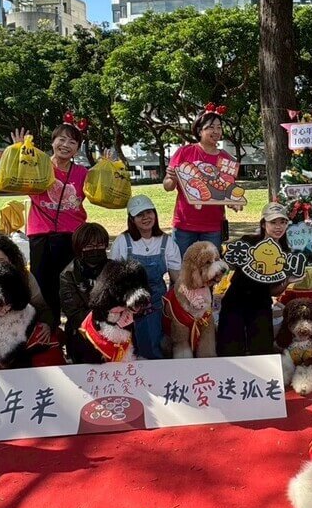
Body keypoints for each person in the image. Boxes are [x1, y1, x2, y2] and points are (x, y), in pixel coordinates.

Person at [11, 116, 89, 320]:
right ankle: (48, 328)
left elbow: (102, 193)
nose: (66, 145)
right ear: (53, 142)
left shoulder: (82, 173)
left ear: (77, 149)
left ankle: (75, 329)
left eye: (72, 142)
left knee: (73, 285)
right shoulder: (38, 165)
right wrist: (19, 153)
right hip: (41, 234)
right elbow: (16, 178)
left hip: (73, 235)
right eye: (61, 139)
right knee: (43, 286)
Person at [163, 105, 241, 255]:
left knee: (211, 267)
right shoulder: (184, 152)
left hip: (213, 227)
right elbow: (167, 186)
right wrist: (172, 178)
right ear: (199, 131)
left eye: (219, 127)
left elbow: (229, 190)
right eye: (211, 127)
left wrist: (234, 202)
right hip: (184, 224)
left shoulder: (226, 158)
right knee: (181, 265)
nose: (216, 131)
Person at [110, 195, 181, 359]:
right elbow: (113, 276)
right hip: (127, 303)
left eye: (149, 212)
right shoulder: (122, 241)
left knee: (154, 344)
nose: (146, 218)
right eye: (140, 215)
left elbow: (176, 276)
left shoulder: (166, 241)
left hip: (156, 302)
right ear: (132, 219)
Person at [216, 202, 291, 357]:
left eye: (283, 222)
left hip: (261, 304)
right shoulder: (247, 241)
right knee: (229, 350)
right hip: (235, 300)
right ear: (263, 224)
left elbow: (274, 291)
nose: (278, 227)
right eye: (273, 222)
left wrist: (288, 280)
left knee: (262, 350)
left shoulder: (286, 253)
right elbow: (227, 264)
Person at [0, 232, 55, 337]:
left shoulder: (24, 277)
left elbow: (42, 307)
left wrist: (46, 324)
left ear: (11, 260)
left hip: (22, 329)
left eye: (0, 261)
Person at [59, 223, 112, 345]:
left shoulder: (115, 270)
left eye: (100, 245)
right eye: (89, 246)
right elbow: (73, 313)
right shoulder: (68, 275)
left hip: (114, 332)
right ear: (79, 248)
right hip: (81, 333)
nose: (95, 249)